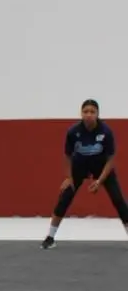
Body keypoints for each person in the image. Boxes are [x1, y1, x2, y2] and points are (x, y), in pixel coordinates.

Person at [42, 99, 128, 248]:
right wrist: (69, 177)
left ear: (97, 114)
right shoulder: (73, 132)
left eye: (92, 112)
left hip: (101, 167)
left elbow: (111, 159)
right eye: (85, 111)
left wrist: (100, 181)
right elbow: (68, 156)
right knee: (65, 197)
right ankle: (50, 237)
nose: (88, 115)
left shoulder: (106, 132)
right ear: (81, 114)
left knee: (118, 199)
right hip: (79, 166)